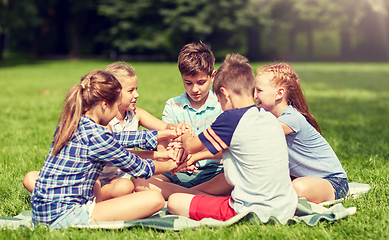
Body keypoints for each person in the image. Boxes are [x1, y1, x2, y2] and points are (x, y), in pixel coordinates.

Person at [31, 70, 179, 229]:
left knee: (96, 185)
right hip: (65, 216)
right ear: (104, 104)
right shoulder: (98, 137)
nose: (116, 111)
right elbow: (141, 168)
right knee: (154, 199)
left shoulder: (72, 124)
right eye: (116, 105)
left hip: (41, 213)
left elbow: (119, 138)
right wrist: (174, 163)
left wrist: (162, 134)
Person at [167, 54, 298, 224]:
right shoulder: (268, 116)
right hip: (286, 207)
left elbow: (191, 146)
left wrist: (184, 129)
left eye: (220, 101)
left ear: (224, 94)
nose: (221, 106)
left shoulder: (230, 118)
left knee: (175, 201)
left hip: (252, 211)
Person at [133, 42, 223, 192]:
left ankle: (181, 194)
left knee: (232, 177)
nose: (194, 89)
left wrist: (195, 155)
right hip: (177, 171)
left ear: (212, 76)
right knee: (139, 181)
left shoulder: (221, 104)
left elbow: (225, 146)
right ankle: (193, 194)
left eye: (201, 82)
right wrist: (177, 159)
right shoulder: (173, 105)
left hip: (213, 172)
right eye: (188, 83)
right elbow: (163, 147)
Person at [254, 62, 348, 203]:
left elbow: (257, 135)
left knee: (297, 188)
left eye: (259, 90)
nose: (254, 95)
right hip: (303, 179)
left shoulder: (291, 119)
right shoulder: (269, 117)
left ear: (279, 93)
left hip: (333, 182)